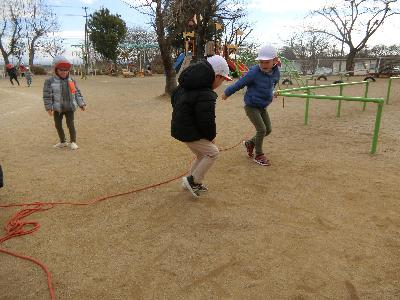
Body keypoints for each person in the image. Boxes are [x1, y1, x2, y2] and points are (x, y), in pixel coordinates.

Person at [171, 55, 232, 198]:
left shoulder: (186, 84)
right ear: (216, 76)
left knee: (201, 154)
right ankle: (194, 181)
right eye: (223, 79)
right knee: (213, 152)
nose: (221, 83)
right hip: (189, 131)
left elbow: (174, 98)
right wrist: (211, 137)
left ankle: (188, 181)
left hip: (181, 127)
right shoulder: (206, 93)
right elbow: (207, 120)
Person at [222, 45, 280, 166]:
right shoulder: (254, 72)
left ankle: (249, 143)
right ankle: (259, 155)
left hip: (262, 106)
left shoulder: (276, 72)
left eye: (267, 62)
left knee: (268, 130)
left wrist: (272, 93)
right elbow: (240, 83)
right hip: (252, 106)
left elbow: (271, 84)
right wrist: (227, 93)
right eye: (261, 62)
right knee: (261, 129)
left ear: (275, 61)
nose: (263, 65)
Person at [43, 55, 86, 150]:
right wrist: (49, 107)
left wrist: (81, 103)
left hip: (70, 107)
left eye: (66, 70)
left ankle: (73, 141)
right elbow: (47, 95)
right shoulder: (49, 81)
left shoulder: (71, 80)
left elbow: (77, 93)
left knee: (70, 124)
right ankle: (63, 141)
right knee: (58, 125)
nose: (64, 72)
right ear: (56, 70)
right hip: (57, 108)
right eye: (61, 70)